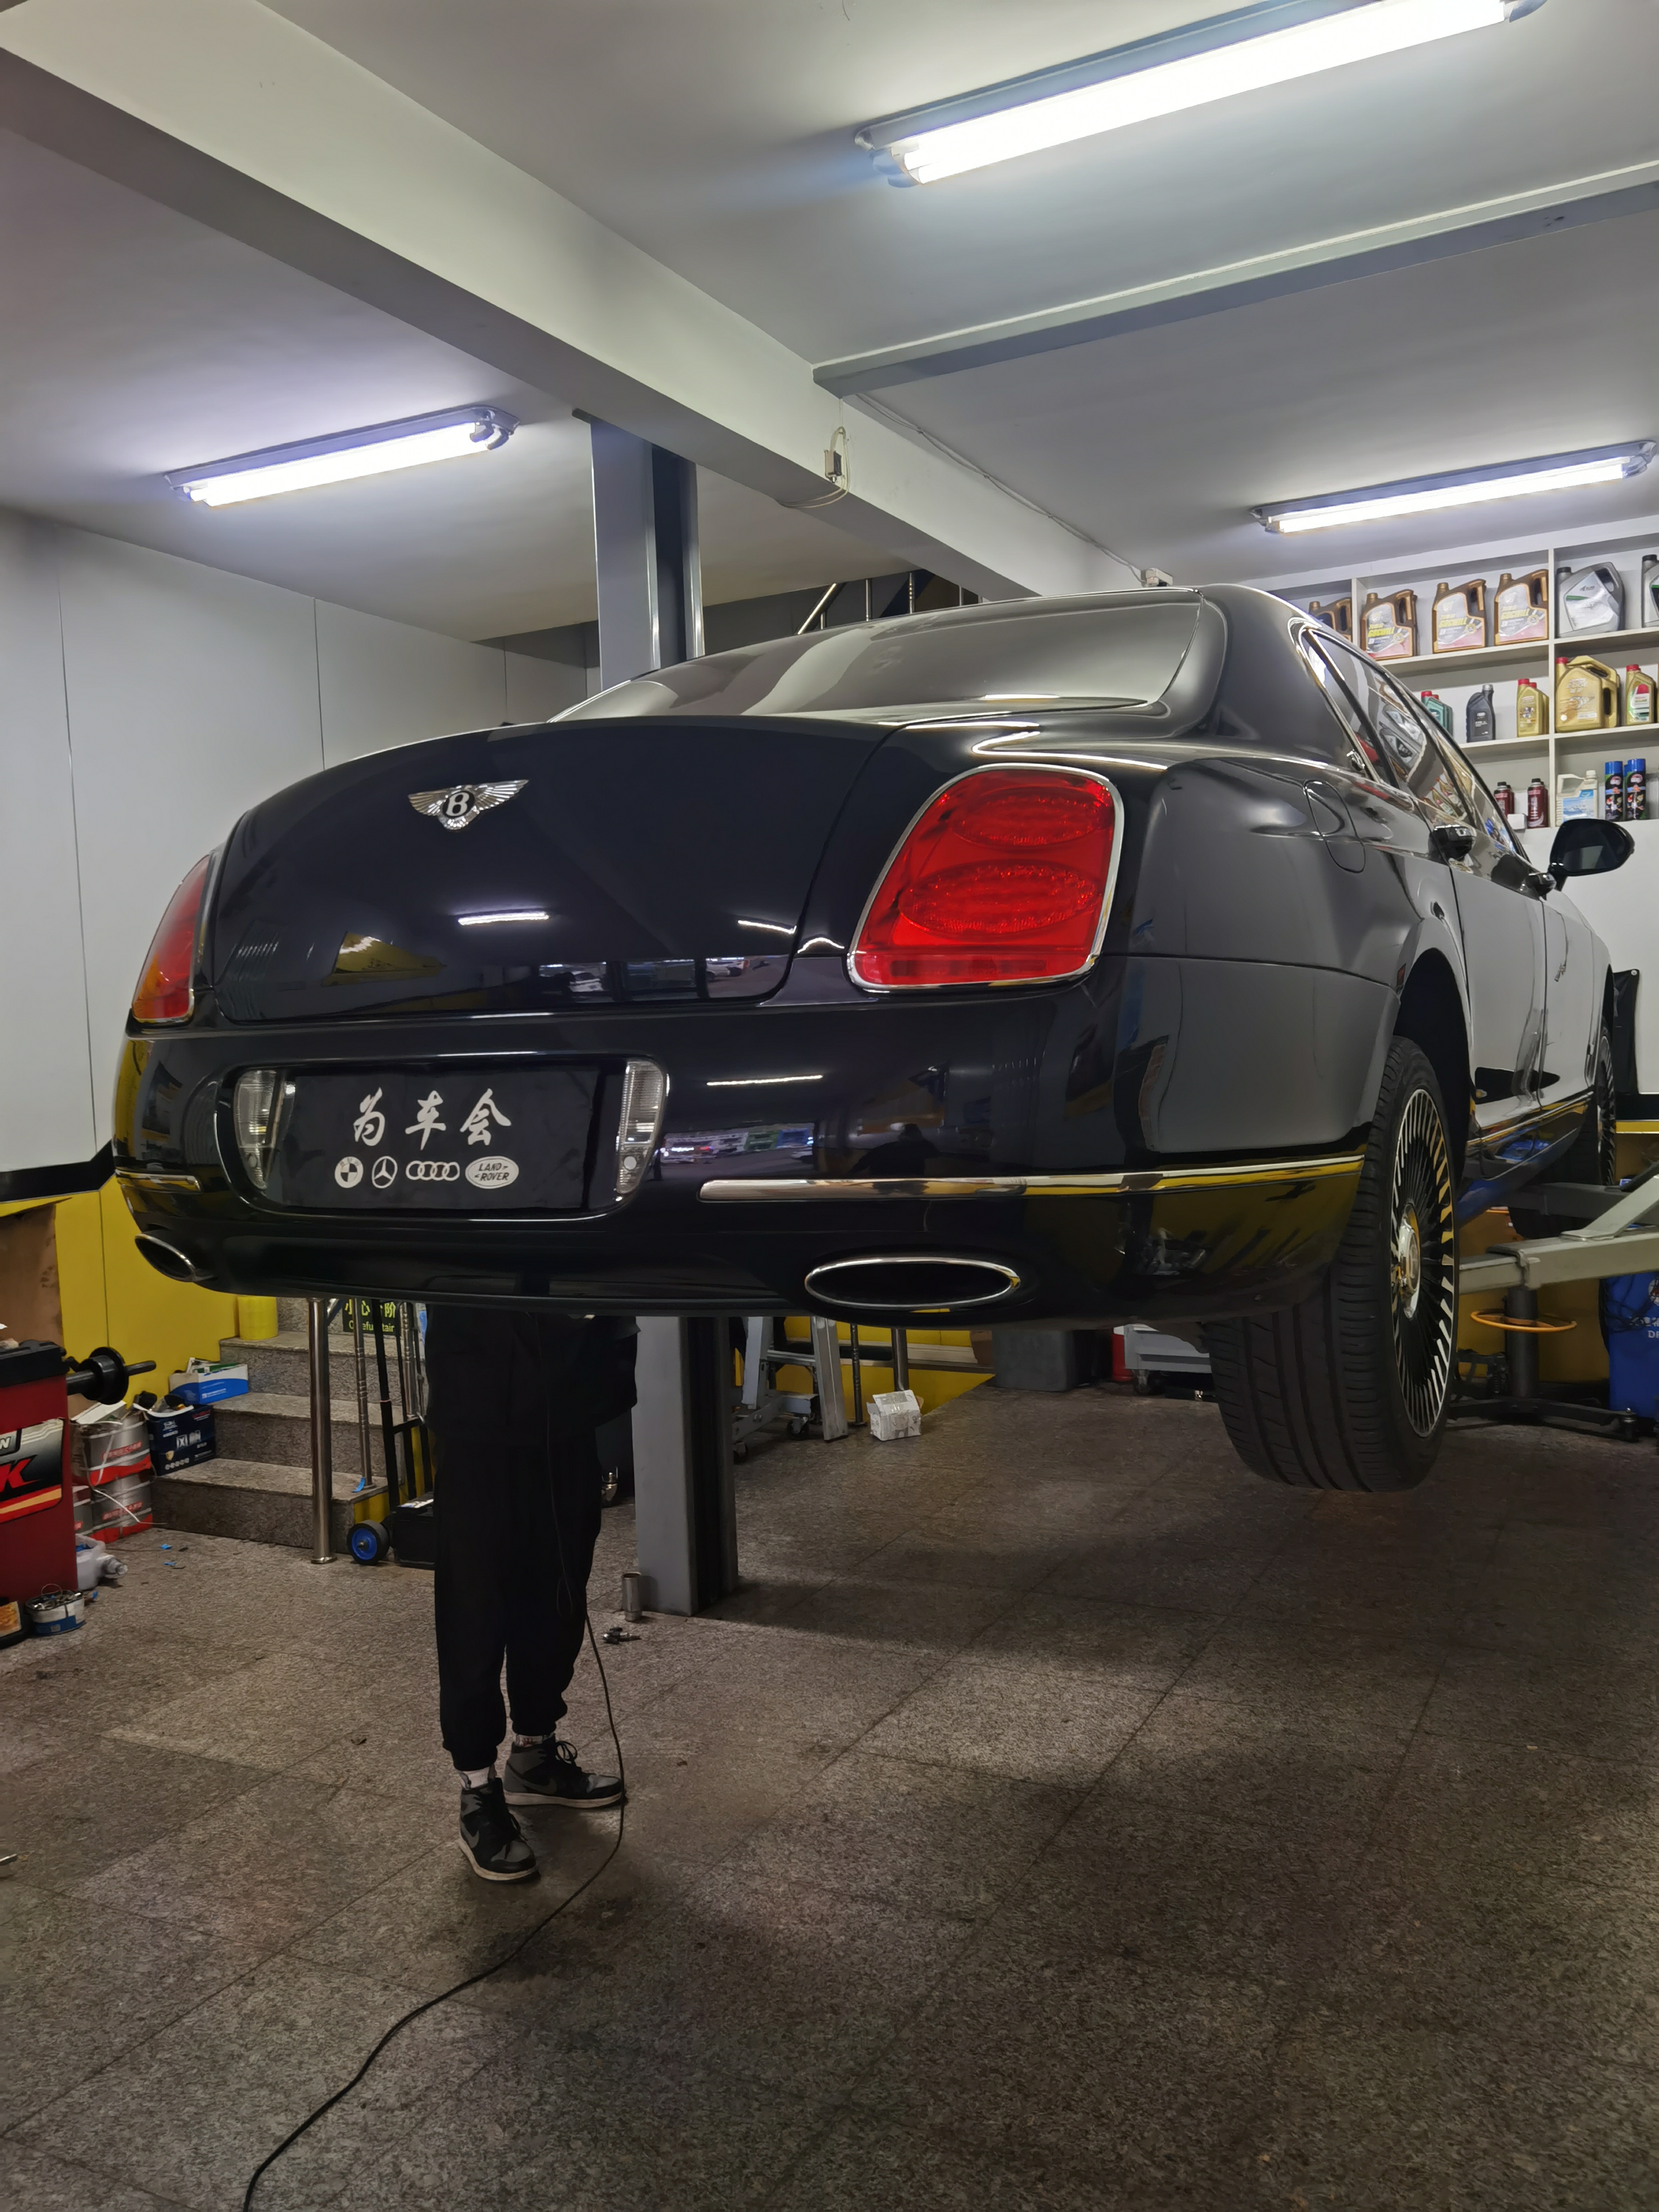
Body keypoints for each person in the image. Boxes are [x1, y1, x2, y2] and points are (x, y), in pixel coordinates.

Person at [421, 1306, 636, 1881]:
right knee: (475, 1607)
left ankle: (534, 1753)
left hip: (566, 1405)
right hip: (477, 1412)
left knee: (559, 1592)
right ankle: (477, 1787)